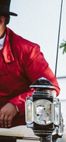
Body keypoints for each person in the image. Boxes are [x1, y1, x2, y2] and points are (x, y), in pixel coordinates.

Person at [0, 0, 60, 128]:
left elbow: (49, 88)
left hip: (19, 133)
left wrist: (16, 104)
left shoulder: (27, 50)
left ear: (1, 21)